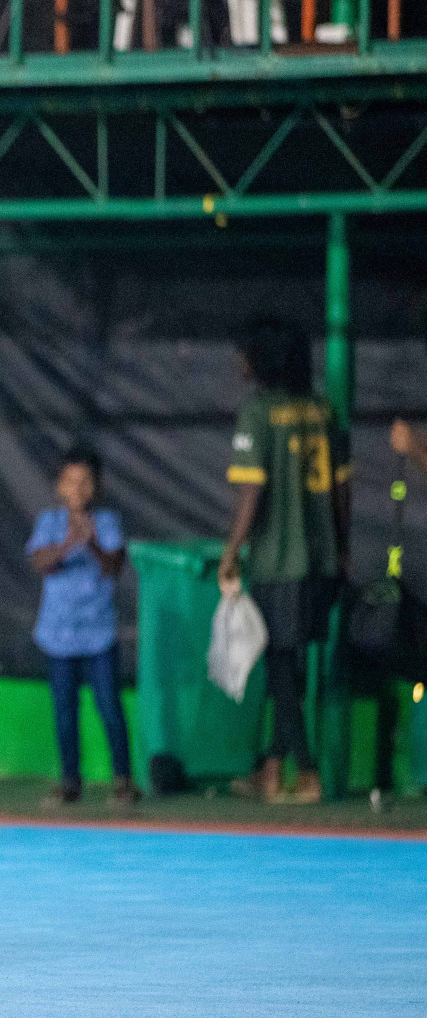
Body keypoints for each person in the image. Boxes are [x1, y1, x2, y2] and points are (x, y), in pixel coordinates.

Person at [219, 321, 350, 805]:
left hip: (280, 560)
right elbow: (341, 487)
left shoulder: (258, 413)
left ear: (264, 359)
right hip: (320, 559)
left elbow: (251, 494)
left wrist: (231, 553)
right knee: (287, 665)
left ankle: (309, 772)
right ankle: (271, 769)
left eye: (245, 352)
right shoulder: (322, 410)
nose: (238, 362)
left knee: (279, 664)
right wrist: (341, 548)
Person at [27, 445, 140, 806]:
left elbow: (113, 566)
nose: (77, 488)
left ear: (97, 486)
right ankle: (70, 781)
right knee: (64, 711)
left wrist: (89, 542)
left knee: (109, 706)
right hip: (57, 636)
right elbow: (41, 562)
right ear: (59, 486)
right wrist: (66, 545)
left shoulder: (107, 522)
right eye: (70, 481)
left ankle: (123, 781)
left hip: (98, 635)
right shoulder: (49, 522)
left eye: (85, 481)